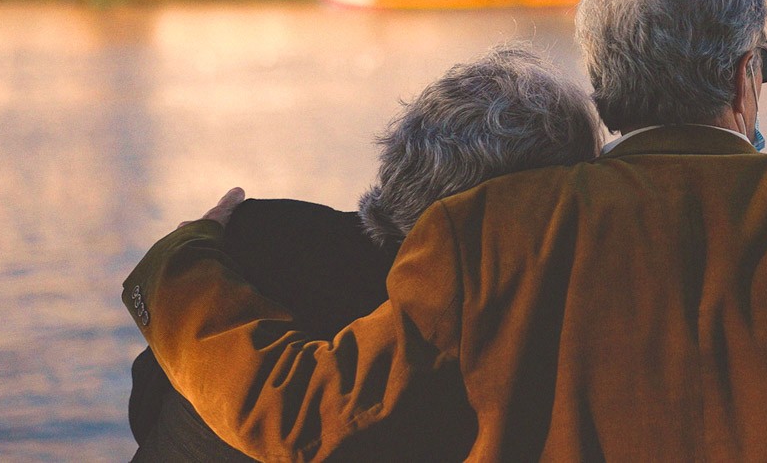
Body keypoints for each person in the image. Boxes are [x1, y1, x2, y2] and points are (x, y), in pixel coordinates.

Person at [123, 0, 767, 461]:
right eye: (762, 63)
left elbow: (304, 412)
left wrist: (181, 261)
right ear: (744, 75)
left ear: (607, 89)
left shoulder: (489, 229)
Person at [127, 43, 600, 461]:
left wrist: (186, 251)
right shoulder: (488, 321)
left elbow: (146, 404)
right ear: (529, 209)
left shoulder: (262, 235)